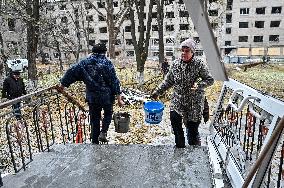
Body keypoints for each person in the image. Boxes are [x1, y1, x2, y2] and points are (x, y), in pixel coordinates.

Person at [151, 38, 214, 148]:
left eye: (187, 51)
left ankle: (194, 152)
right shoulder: (175, 64)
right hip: (178, 101)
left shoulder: (199, 64)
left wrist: (199, 85)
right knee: (175, 124)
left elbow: (209, 79)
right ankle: (180, 149)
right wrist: (157, 92)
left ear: (192, 52)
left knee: (192, 132)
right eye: (182, 50)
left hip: (194, 103)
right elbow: (168, 81)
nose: (184, 53)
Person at [59, 43, 124, 144]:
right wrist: (119, 98)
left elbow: (71, 72)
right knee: (108, 113)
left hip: (93, 98)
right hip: (107, 97)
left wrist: (62, 85)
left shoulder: (84, 63)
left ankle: (94, 142)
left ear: (92, 52)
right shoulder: (107, 63)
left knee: (94, 119)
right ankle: (103, 132)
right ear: (104, 52)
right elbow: (114, 81)